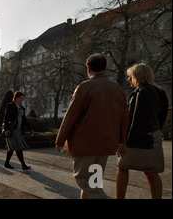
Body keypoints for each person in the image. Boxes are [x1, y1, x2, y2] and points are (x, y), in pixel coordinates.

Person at [56, 53, 129, 199]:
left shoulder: (85, 87)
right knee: (94, 182)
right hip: (106, 142)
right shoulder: (118, 89)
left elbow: (71, 116)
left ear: (88, 68)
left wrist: (60, 139)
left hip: (85, 142)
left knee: (82, 178)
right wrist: (121, 142)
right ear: (104, 68)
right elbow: (124, 118)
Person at [116, 63, 168, 199]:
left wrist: (124, 142)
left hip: (138, 138)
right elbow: (162, 115)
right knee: (151, 171)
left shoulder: (140, 92)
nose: (128, 80)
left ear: (137, 77)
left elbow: (135, 119)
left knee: (122, 167)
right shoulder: (160, 92)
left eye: (130, 77)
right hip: (154, 135)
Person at [3, 91, 34, 171]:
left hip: (19, 130)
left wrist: (30, 129)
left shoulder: (22, 108)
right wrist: (6, 129)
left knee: (12, 148)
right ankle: (23, 165)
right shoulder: (10, 106)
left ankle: (7, 163)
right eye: (20, 98)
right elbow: (6, 118)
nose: (21, 100)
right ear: (16, 98)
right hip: (12, 130)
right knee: (18, 148)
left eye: (22, 98)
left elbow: (24, 120)